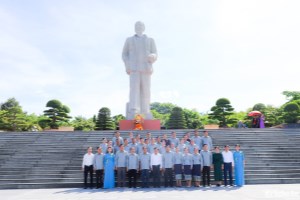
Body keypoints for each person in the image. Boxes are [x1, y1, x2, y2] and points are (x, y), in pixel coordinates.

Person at [122, 21, 158, 119]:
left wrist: (153, 56)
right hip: (134, 68)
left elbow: (155, 53)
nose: (138, 27)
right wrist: (127, 65)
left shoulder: (150, 40)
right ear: (134, 27)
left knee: (146, 90)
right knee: (134, 89)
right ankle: (134, 109)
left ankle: (146, 110)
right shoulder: (129, 40)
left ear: (144, 27)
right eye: (137, 25)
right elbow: (124, 54)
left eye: (140, 25)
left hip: (146, 68)